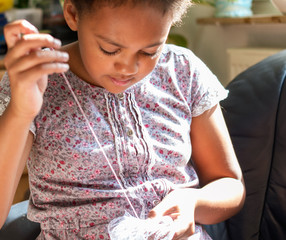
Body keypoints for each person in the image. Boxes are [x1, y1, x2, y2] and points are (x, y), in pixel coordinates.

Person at [0, 0, 245, 239]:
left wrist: (194, 201)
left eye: (150, 51)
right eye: (110, 49)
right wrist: (21, 111)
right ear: (73, 14)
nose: (128, 68)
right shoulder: (34, 82)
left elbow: (230, 184)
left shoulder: (183, 71)